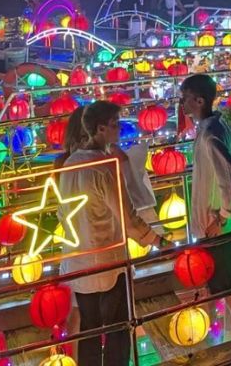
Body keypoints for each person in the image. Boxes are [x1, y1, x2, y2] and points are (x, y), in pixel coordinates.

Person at [59, 101, 165, 366]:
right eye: (115, 125)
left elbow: (63, 212)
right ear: (100, 129)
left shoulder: (70, 163)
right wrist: (156, 240)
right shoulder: (105, 166)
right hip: (108, 261)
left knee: (90, 330)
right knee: (118, 328)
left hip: (79, 260)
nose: (120, 129)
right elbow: (127, 218)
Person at [179, 74, 231, 334]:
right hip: (215, 225)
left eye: (185, 98)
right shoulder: (213, 129)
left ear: (199, 100)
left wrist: (222, 215)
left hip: (216, 228)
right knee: (226, 289)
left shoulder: (210, 135)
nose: (182, 104)